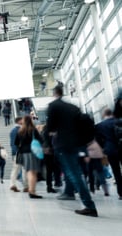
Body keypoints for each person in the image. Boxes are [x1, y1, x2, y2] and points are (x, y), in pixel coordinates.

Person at [46, 85, 98, 216]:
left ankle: (89, 205)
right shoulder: (73, 107)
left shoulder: (53, 106)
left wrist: (48, 143)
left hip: (63, 144)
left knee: (73, 174)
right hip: (76, 144)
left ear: (54, 93)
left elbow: (50, 127)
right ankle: (70, 193)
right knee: (74, 172)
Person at [15, 115, 43, 199]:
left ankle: (31, 190)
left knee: (29, 172)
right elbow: (41, 140)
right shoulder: (33, 130)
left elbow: (16, 143)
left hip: (24, 153)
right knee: (33, 172)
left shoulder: (20, 131)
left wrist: (21, 147)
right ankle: (32, 191)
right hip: (32, 152)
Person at [95, 108, 121, 199]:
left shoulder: (100, 126)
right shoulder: (119, 121)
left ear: (103, 115)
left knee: (116, 171)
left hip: (110, 149)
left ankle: (121, 193)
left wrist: (103, 149)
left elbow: (98, 140)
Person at [8, 117, 28, 192]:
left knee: (16, 169)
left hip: (16, 152)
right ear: (19, 121)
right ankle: (26, 186)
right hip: (20, 152)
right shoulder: (20, 130)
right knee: (24, 169)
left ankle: (13, 184)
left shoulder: (13, 130)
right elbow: (15, 143)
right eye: (22, 120)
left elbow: (12, 143)